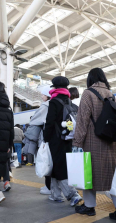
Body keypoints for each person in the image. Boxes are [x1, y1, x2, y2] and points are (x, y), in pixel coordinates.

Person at [73, 68, 116, 219]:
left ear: (90, 79)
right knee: (112, 174)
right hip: (111, 141)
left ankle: (89, 206)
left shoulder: (88, 93)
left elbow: (82, 120)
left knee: (88, 173)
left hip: (93, 141)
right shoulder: (111, 94)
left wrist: (77, 142)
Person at [43, 76, 82, 206]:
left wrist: (45, 138)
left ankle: (73, 195)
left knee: (60, 167)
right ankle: (55, 195)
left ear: (55, 87)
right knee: (56, 166)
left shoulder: (54, 102)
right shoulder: (70, 102)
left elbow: (49, 122)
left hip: (56, 139)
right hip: (68, 138)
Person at [23, 85, 52, 195]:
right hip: (56, 139)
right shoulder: (59, 103)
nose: (41, 96)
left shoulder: (45, 105)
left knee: (46, 162)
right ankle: (52, 187)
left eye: (43, 94)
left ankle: (48, 187)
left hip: (45, 139)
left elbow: (35, 120)